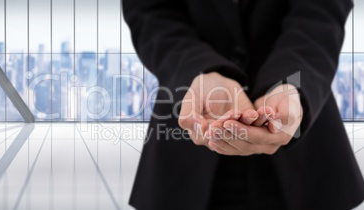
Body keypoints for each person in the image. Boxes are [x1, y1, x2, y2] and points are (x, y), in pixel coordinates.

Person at [123, 0, 364, 209]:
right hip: (188, 166)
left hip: (306, 159)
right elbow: (148, 11)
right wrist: (201, 70)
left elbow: (320, 13)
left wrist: (289, 83)